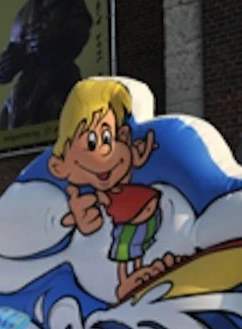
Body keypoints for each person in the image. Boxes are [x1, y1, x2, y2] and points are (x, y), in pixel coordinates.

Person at [47, 79, 178, 301]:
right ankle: (126, 280)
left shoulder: (133, 162)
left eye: (108, 137)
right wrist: (76, 217)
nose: (107, 152)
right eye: (92, 142)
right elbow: (78, 219)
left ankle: (138, 272)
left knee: (137, 248)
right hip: (126, 222)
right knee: (123, 251)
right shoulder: (93, 194)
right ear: (59, 166)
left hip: (146, 218)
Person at [0, 0, 92, 131]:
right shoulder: (22, 16)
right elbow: (10, 61)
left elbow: (81, 28)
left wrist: (55, 38)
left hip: (60, 76)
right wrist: (6, 65)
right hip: (27, 89)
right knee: (4, 124)